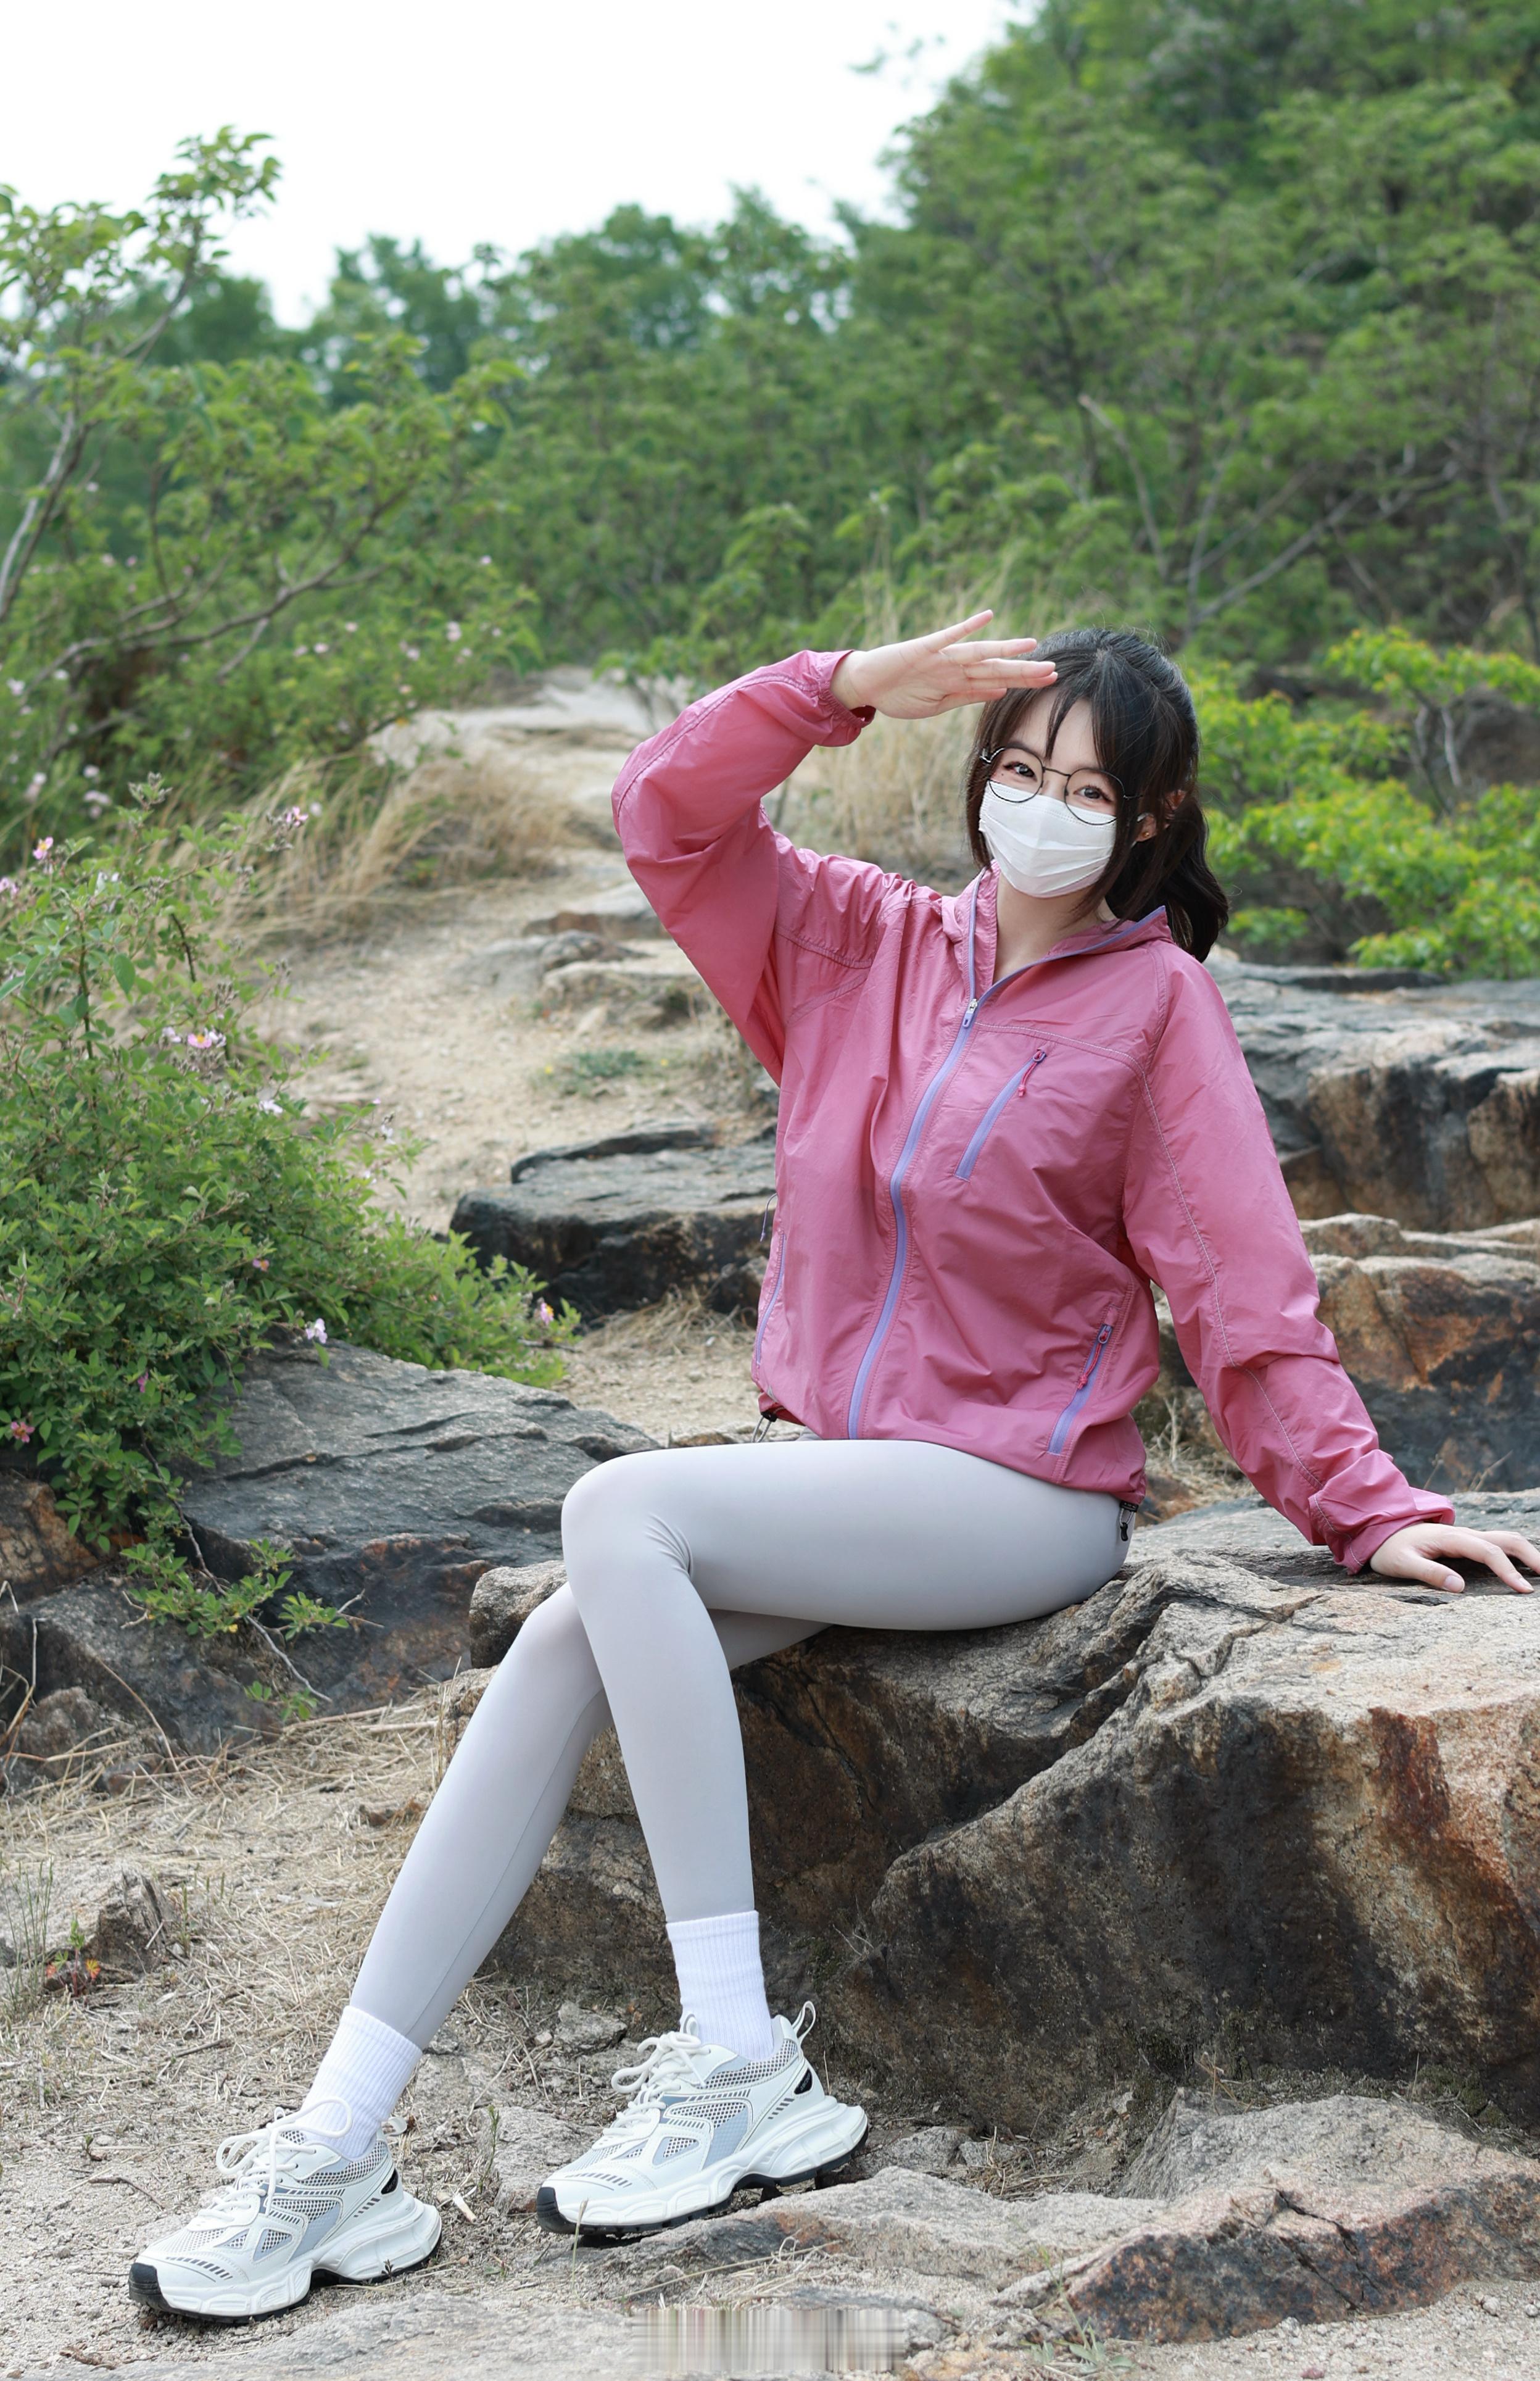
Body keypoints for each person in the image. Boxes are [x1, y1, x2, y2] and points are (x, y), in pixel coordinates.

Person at [131, 616, 1540, 2319]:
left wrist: (1366, 1508)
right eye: (1019, 768)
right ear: (978, 775)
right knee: (569, 1636)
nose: (1040, 806)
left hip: (1021, 1503)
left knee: (619, 1508)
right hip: (851, 1478)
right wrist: (835, 689)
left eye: (1086, 788)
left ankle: (736, 2057)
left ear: (1151, 820)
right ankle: (336, 2143)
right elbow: (662, 811)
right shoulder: (856, 938)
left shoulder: (1157, 1010)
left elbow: (1244, 1293)